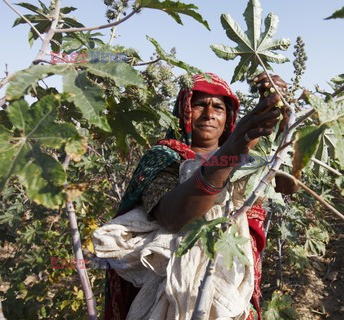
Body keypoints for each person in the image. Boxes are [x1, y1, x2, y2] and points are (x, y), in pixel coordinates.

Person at [92, 72, 296, 320]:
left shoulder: (250, 159)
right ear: (184, 111)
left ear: (228, 117)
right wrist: (231, 151)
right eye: (200, 104)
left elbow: (289, 185)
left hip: (231, 283)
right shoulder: (164, 156)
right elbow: (173, 216)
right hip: (168, 292)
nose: (209, 114)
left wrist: (285, 124)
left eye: (218, 107)